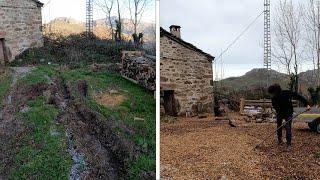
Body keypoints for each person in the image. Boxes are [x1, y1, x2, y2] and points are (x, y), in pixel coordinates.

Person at [268, 84, 311, 150]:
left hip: (288, 113)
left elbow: (298, 96)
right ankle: (280, 140)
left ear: (275, 92)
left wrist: (307, 104)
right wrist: (282, 119)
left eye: (272, 93)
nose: (271, 95)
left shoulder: (287, 93)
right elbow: (276, 108)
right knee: (279, 127)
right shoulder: (274, 99)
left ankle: (288, 144)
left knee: (288, 128)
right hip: (280, 113)